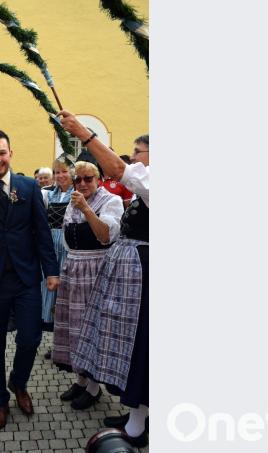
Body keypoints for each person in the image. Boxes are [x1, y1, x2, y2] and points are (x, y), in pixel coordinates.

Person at [59, 110, 149, 448]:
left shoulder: (120, 195)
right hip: (111, 270)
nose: (134, 158)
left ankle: (131, 416)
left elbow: (118, 172)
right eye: (77, 178)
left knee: (134, 343)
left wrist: (83, 132)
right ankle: (134, 414)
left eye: (138, 152)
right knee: (126, 342)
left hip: (136, 273)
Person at [0, 129, 59, 430]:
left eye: (2, 153)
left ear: (10, 154)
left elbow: (42, 232)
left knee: (31, 337)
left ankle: (19, 383)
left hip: (26, 278)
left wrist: (51, 270)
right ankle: (0, 401)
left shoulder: (29, 187)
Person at [52, 160, 123, 411]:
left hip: (96, 270)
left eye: (88, 179)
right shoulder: (73, 201)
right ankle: (80, 380)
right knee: (74, 327)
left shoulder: (110, 201)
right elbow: (68, 238)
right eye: (78, 179)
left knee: (92, 330)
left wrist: (86, 209)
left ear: (99, 179)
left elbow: (105, 235)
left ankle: (94, 388)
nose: (82, 184)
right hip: (74, 268)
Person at [40, 159, 74, 359]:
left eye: (64, 172)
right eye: (57, 172)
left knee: (66, 294)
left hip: (68, 244)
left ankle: (69, 344)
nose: (60, 175)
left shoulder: (77, 192)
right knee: (52, 295)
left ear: (71, 173)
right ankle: (57, 343)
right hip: (51, 244)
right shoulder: (49, 193)